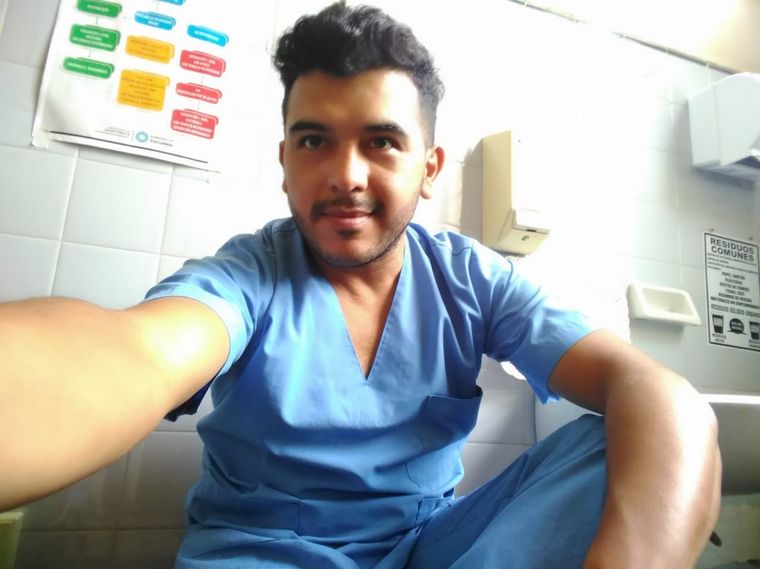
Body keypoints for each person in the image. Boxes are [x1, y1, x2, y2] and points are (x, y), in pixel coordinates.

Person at [0, 2, 721, 568]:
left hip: (429, 548)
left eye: (381, 141)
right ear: (286, 161)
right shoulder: (248, 277)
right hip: (263, 553)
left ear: (428, 168)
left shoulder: (471, 279)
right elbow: (136, 352)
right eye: (315, 140)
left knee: (617, 441)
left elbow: (658, 395)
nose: (345, 175)